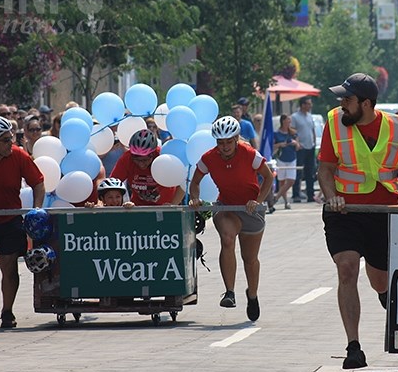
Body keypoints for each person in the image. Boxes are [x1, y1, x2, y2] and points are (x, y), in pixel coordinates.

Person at [319, 72, 398, 369]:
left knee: (380, 279)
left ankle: (383, 293)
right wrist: (332, 196)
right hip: (345, 212)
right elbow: (325, 170)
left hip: (382, 214)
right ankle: (353, 347)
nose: (342, 104)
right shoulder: (334, 123)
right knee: (346, 269)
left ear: (366, 104)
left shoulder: (397, 128)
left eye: (348, 99)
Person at [189, 116, 273, 321]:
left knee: (250, 259)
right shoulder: (209, 157)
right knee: (227, 239)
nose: (224, 147)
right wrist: (194, 198)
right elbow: (195, 181)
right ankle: (230, 292)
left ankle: (252, 296)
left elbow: (268, 177)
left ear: (236, 139)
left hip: (250, 208)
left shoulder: (249, 154)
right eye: (220, 142)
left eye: (228, 142)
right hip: (227, 206)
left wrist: (258, 200)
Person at [0, 116, 45, 328]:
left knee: (9, 267)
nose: (10, 144)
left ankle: (7, 312)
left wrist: (36, 210)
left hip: (10, 218)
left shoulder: (18, 155)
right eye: (4, 140)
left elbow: (38, 184)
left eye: (11, 138)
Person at [110, 129, 184, 206]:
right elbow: (112, 184)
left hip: (166, 206)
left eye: (145, 160)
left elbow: (182, 184)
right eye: (137, 160)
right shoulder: (127, 159)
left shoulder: (164, 157)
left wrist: (173, 204)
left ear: (153, 154)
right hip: (139, 206)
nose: (141, 164)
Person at [290, 96, 317, 203]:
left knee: (310, 172)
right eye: (308, 104)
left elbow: (312, 130)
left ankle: (311, 194)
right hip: (301, 147)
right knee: (299, 171)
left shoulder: (310, 116)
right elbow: (291, 130)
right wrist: (297, 142)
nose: (310, 106)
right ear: (303, 105)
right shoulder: (295, 117)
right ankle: (296, 194)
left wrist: (314, 141)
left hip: (310, 147)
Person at [272, 114, 299, 209]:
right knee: (282, 181)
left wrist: (295, 143)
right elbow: (272, 147)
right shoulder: (276, 134)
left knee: (291, 180)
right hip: (281, 158)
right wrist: (280, 144)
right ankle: (286, 202)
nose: (289, 123)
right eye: (288, 120)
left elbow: (298, 147)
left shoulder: (293, 133)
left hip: (292, 158)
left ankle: (276, 197)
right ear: (283, 121)